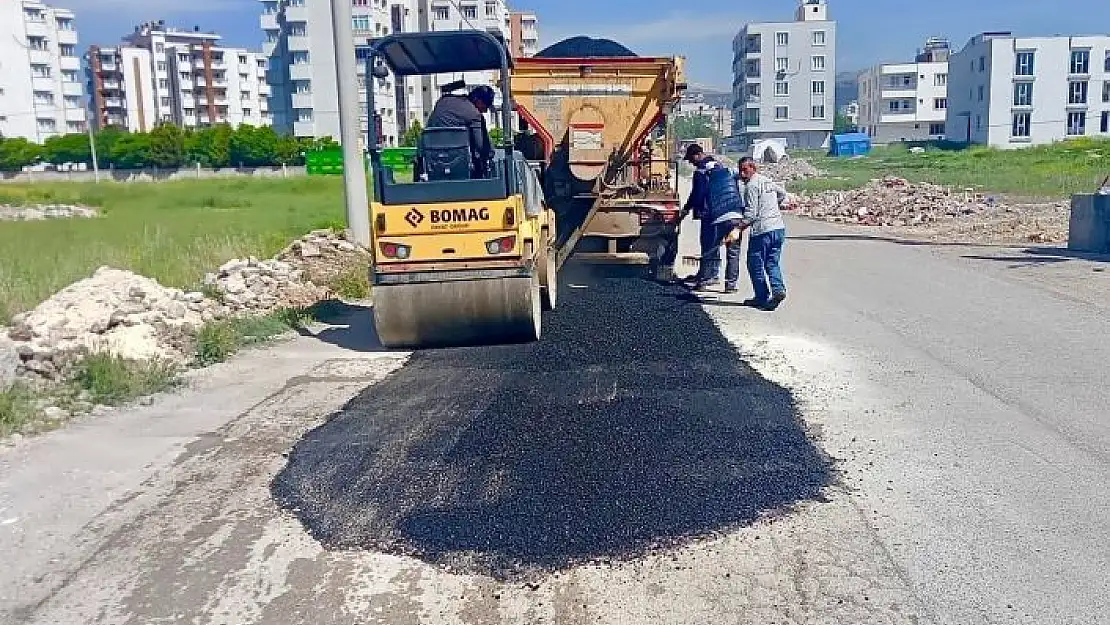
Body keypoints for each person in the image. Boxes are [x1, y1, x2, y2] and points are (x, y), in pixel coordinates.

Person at [681, 144, 744, 292]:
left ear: (697, 155)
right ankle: (729, 284)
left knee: (709, 246)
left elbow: (698, 194)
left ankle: (705, 278)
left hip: (711, 215)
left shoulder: (701, 172)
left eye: (691, 159)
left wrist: (686, 209)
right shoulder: (722, 167)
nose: (691, 163)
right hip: (734, 213)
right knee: (732, 250)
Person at [736, 156, 789, 310]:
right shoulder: (767, 181)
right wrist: (773, 207)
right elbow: (782, 193)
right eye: (740, 171)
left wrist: (738, 228)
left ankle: (761, 297)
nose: (742, 174)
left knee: (755, 264)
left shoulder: (752, 186)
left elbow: (751, 214)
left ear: (753, 168)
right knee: (772, 262)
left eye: (745, 170)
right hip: (778, 228)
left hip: (762, 231)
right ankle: (778, 290)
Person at [425, 85, 496, 175]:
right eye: (486, 106)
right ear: (478, 101)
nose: (485, 111)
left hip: (433, 159)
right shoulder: (474, 114)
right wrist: (490, 153)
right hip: (458, 162)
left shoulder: (443, 100)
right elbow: (480, 145)